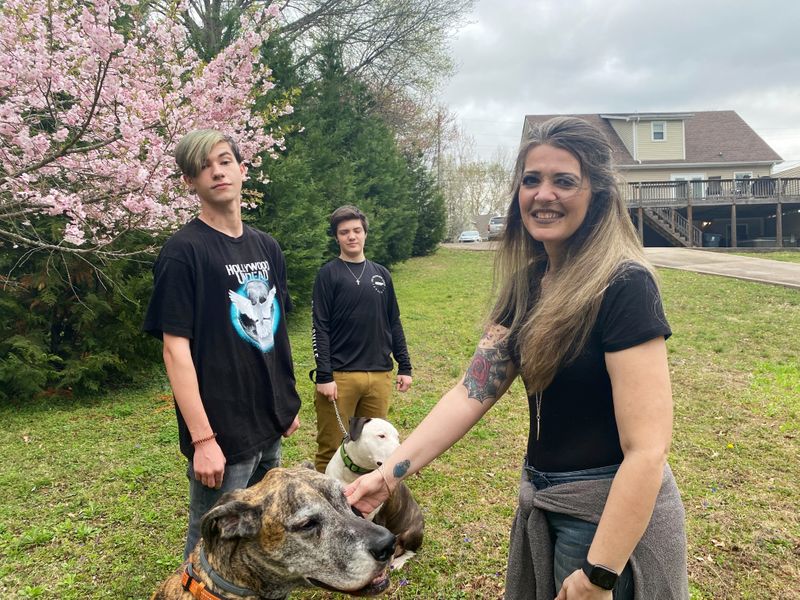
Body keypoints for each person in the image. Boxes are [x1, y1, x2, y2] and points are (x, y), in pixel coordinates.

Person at [345, 117, 689, 599]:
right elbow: (471, 392)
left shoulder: (624, 284)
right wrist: (385, 476)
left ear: (599, 195)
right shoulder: (528, 285)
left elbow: (647, 450)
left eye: (564, 180)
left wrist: (601, 573)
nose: (543, 194)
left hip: (603, 519)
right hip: (545, 499)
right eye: (532, 179)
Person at [143, 129, 301, 560]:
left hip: (269, 426)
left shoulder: (266, 246)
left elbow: (274, 333)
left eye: (225, 160)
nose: (216, 171)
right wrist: (202, 440)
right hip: (222, 434)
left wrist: (286, 404)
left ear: (242, 170)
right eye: (203, 166)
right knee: (211, 543)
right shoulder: (183, 252)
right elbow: (175, 351)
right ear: (189, 182)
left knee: (262, 532)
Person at [311, 205, 413, 472]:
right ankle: (326, 508)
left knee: (374, 449)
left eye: (357, 230)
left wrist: (405, 365)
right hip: (340, 376)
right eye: (344, 232)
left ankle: (369, 504)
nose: (351, 236)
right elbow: (319, 326)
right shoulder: (328, 274)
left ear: (365, 233)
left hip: (379, 375)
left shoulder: (381, 274)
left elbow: (394, 322)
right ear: (337, 237)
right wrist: (324, 375)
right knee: (331, 447)